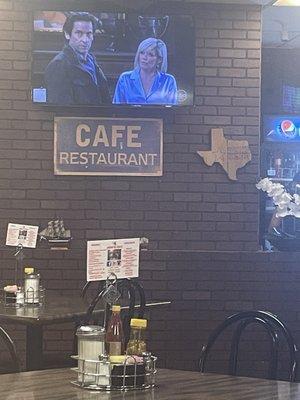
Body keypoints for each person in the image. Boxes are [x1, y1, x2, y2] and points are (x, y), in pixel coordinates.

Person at [44, 12, 111, 105]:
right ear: (67, 34)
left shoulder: (91, 61)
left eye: (89, 34)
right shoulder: (59, 64)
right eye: (79, 33)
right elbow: (62, 109)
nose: (85, 39)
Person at [113, 37, 178, 105]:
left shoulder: (168, 81)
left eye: (150, 54)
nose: (144, 57)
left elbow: (172, 112)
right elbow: (117, 109)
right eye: (142, 53)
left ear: (159, 60)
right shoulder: (125, 78)